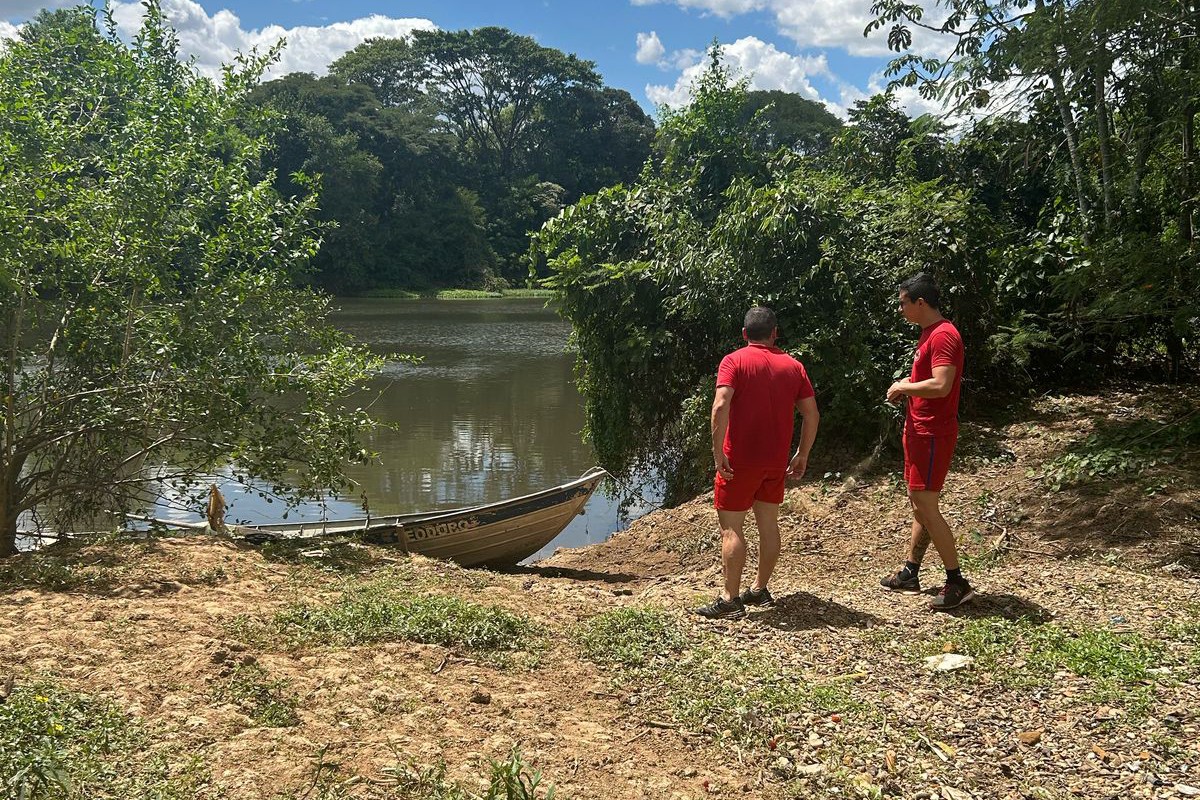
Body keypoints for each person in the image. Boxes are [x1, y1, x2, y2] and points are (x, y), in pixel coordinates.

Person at [695, 306, 820, 620]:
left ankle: (729, 599)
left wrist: (717, 453)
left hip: (739, 462)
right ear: (775, 332)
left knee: (731, 529)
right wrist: (802, 453)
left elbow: (721, 405)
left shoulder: (734, 361)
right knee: (768, 525)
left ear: (744, 334)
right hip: (775, 462)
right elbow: (812, 414)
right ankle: (759, 589)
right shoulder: (794, 366)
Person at [880, 272, 975, 609]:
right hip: (919, 430)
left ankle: (956, 581)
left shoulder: (944, 335)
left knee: (926, 506)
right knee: (919, 504)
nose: (900, 308)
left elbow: (942, 385)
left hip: (934, 433)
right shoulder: (927, 335)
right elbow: (928, 380)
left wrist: (905, 386)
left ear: (920, 302)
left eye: (903, 303)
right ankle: (911, 571)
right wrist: (909, 381)